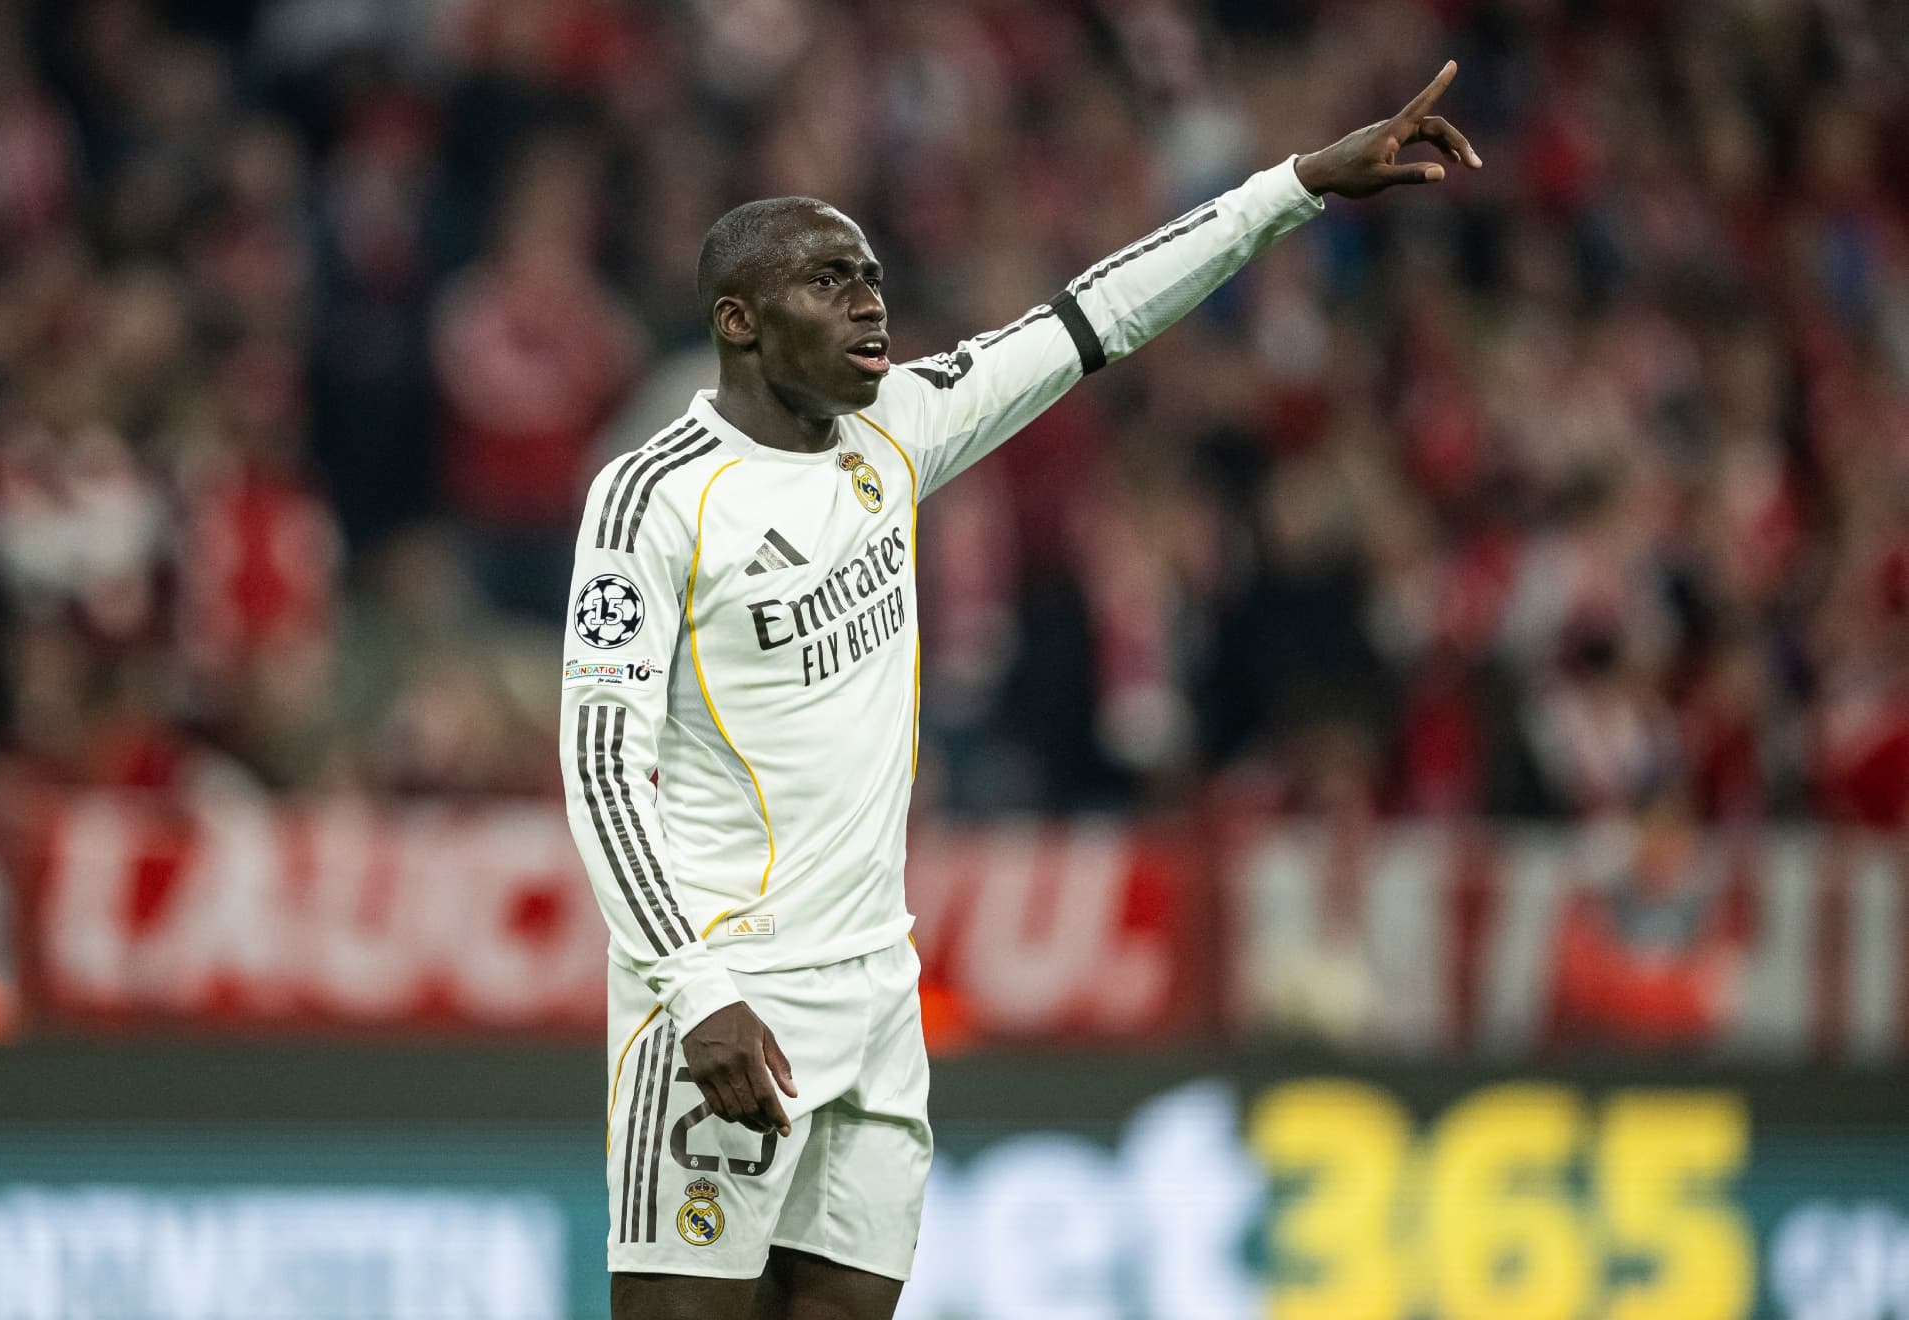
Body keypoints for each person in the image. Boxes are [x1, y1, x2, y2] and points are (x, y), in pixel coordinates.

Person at [561, 61, 1480, 1320]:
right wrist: (693, 986)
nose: (873, 303)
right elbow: (603, 763)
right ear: (740, 321)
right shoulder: (654, 493)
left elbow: (1093, 316)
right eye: (831, 281)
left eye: (875, 275)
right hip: (727, 987)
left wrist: (1296, 185)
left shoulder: (899, 430)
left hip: (877, 994)